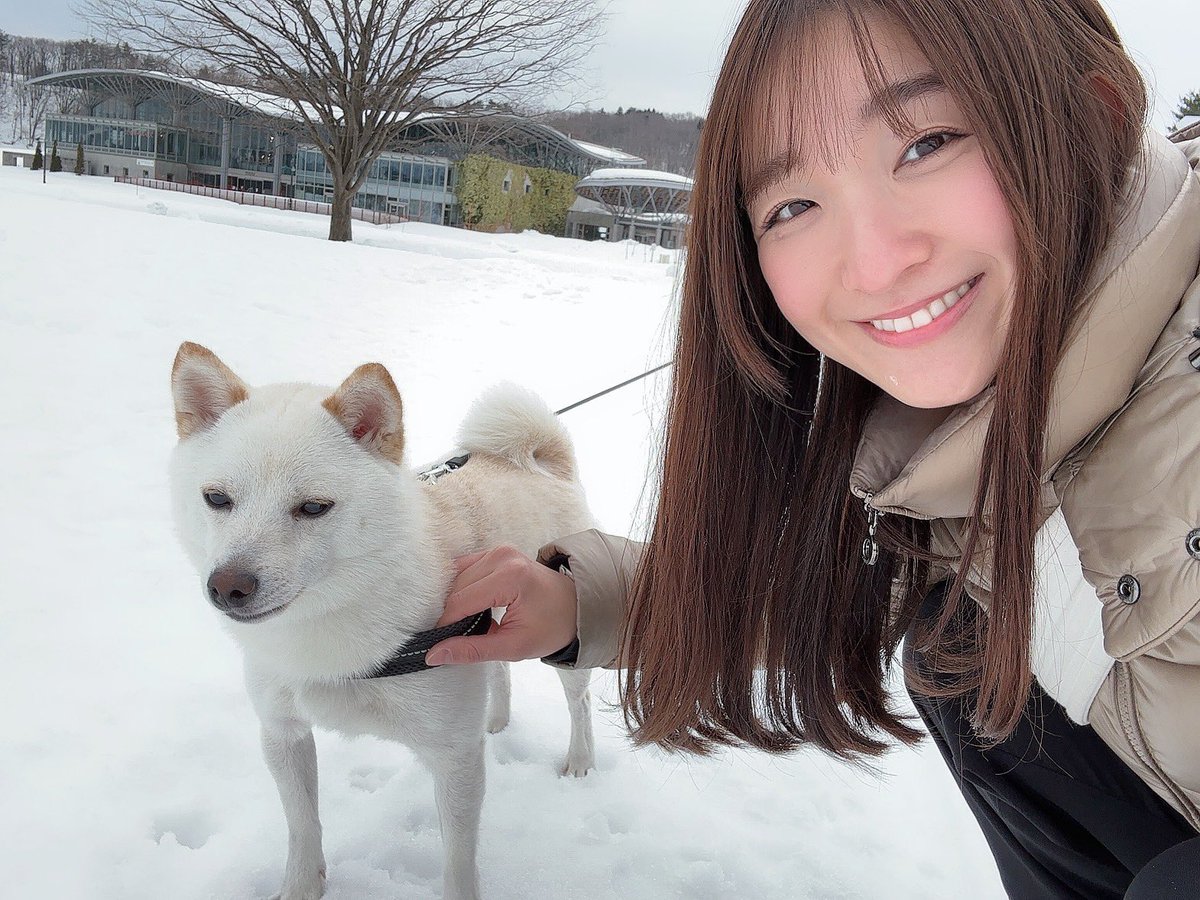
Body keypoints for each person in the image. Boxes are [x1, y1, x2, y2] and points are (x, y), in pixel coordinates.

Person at [426, 0, 1200, 895]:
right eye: (794, 204)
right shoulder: (969, 442)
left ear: (1092, 121)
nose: (872, 264)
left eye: (927, 144)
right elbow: (866, 597)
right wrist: (581, 602)